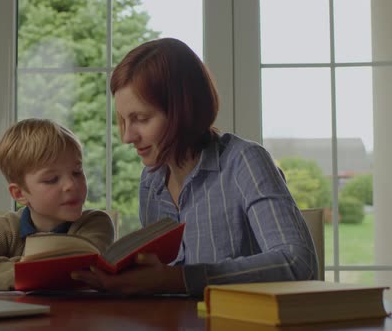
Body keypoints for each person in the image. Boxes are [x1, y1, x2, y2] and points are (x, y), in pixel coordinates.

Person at [71, 38, 318, 297]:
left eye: (141, 119)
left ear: (182, 110)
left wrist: (177, 279)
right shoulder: (151, 181)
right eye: (123, 120)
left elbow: (298, 263)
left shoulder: (245, 161)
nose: (127, 136)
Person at [0, 118, 115, 290]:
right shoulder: (8, 227)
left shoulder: (96, 223)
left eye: (77, 172)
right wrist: (28, 271)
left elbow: (76, 269)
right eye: (51, 179)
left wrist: (10, 271)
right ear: (20, 194)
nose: (71, 185)